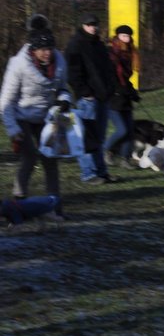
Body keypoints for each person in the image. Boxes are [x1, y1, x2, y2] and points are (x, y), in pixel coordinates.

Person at [0, 22, 71, 216]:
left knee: (50, 159)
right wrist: (13, 130)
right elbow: (5, 101)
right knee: (30, 156)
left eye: (49, 49)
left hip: (45, 118)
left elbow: (63, 89)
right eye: (42, 50)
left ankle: (54, 205)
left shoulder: (60, 63)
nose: (47, 53)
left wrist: (64, 101)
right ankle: (19, 198)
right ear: (33, 50)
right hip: (21, 115)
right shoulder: (18, 65)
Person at [66, 13, 119, 184]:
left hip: (102, 96)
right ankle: (88, 173)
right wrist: (85, 92)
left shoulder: (99, 45)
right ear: (83, 25)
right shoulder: (75, 44)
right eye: (89, 24)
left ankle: (101, 171)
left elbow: (109, 68)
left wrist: (111, 87)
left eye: (95, 24)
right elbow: (72, 73)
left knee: (99, 137)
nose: (93, 27)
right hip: (87, 99)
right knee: (87, 138)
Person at [105, 25, 140, 169]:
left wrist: (132, 92)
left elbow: (126, 79)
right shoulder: (110, 53)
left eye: (128, 36)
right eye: (123, 36)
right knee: (122, 130)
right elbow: (110, 77)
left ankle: (125, 159)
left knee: (130, 131)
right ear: (117, 36)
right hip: (113, 98)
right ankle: (106, 149)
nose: (126, 38)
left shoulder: (131, 53)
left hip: (124, 97)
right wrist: (121, 90)